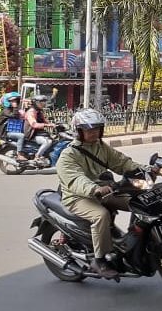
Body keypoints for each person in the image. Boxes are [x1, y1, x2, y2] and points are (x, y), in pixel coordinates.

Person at [55, 108, 156, 280]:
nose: (93, 132)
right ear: (78, 131)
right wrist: (94, 189)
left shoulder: (101, 147)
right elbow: (76, 179)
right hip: (78, 196)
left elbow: (122, 162)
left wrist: (147, 169)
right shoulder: (68, 155)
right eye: (88, 129)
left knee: (140, 201)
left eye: (97, 129)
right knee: (101, 215)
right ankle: (99, 260)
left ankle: (133, 244)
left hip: (105, 191)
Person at [0, 92, 27, 159]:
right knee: (21, 136)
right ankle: (19, 154)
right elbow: (14, 116)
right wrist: (15, 107)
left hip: (12, 130)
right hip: (5, 132)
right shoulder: (6, 111)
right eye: (12, 101)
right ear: (7, 102)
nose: (14, 102)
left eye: (15, 100)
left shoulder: (12, 109)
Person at [24, 95, 54, 163]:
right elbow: (34, 124)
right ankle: (37, 156)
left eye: (44, 102)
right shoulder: (31, 112)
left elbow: (45, 120)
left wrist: (54, 124)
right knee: (47, 142)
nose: (43, 104)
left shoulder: (39, 111)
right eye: (41, 102)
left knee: (53, 139)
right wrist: (46, 125)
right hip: (32, 134)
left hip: (38, 133)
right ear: (35, 103)